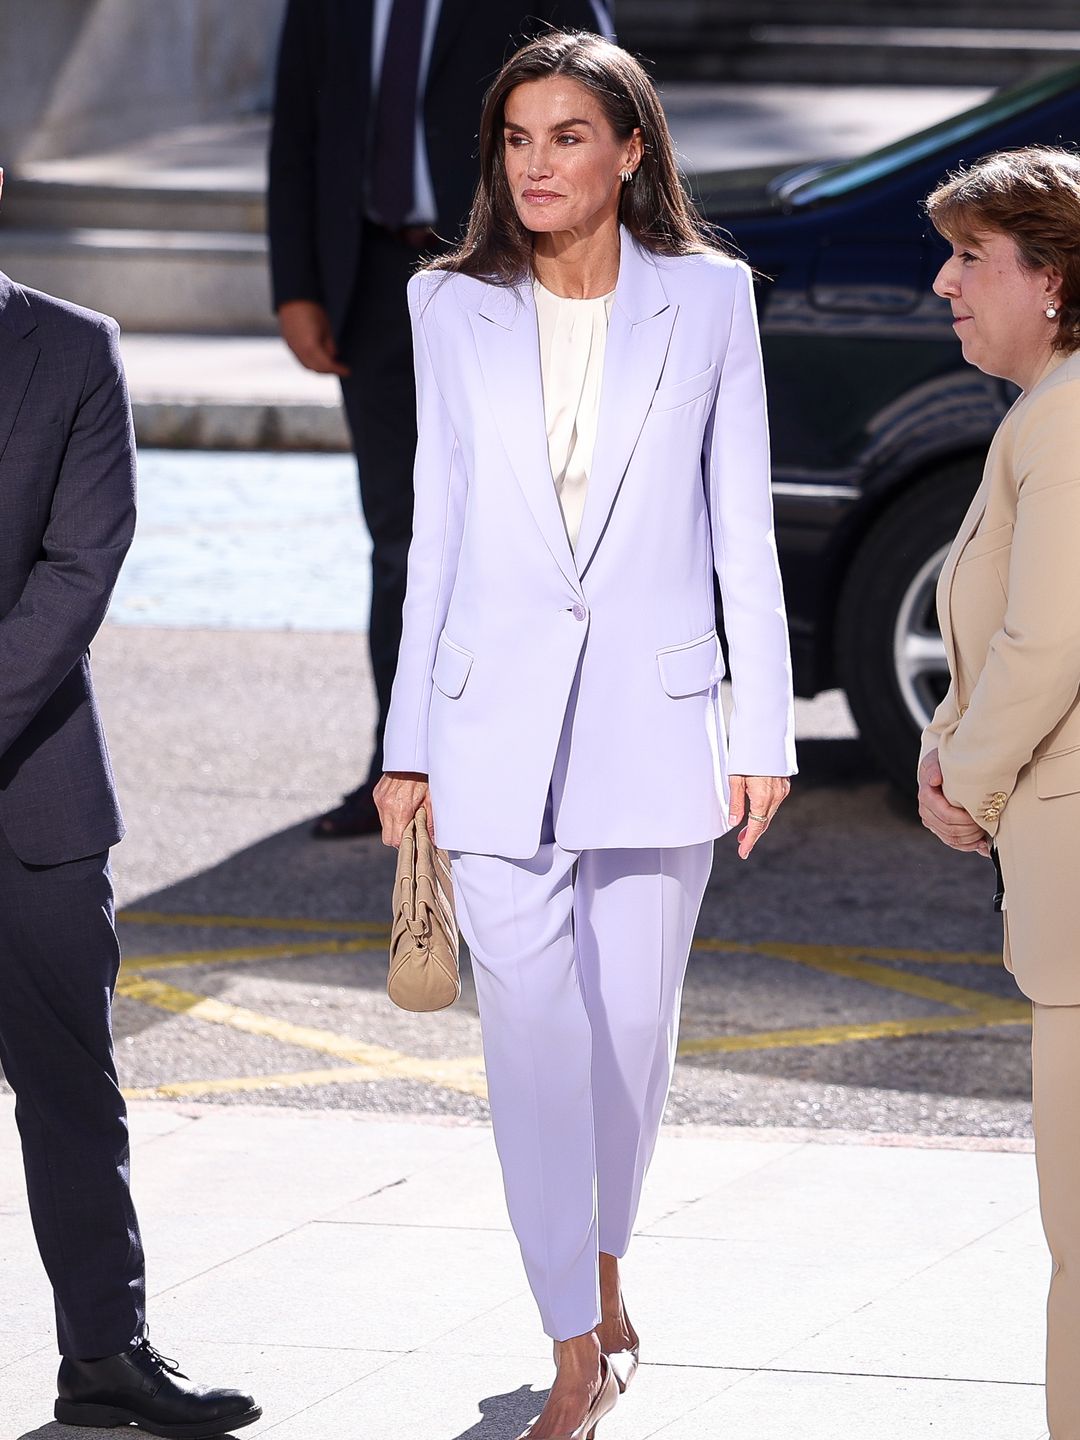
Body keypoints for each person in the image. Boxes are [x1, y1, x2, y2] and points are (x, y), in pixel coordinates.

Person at [375, 31, 796, 1440]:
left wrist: (768, 728)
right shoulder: (447, 305)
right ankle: (572, 1341)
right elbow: (433, 531)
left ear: (630, 150)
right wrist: (407, 741)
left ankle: (605, 1265)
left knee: (628, 1048)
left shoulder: (714, 299)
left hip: (659, 726)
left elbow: (743, 521)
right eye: (516, 138)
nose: (538, 163)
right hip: (488, 732)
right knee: (535, 1057)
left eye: (568, 136)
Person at [0, 167, 260, 1438]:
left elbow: (78, 565)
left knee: (70, 1089)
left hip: (30, 794)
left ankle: (104, 1354)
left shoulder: (72, 350)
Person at [268, 0, 613, 839]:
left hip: (512, 281)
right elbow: (299, 130)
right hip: (370, 286)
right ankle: (403, 765)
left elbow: (603, 114)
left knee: (530, 530)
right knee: (401, 537)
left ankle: (542, 768)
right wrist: (298, 285)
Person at [918, 146, 1080, 1440]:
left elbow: (1047, 645)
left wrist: (962, 778)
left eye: (973, 257)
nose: (944, 282)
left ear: (1057, 277)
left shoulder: (1068, 416)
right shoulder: (1049, 410)